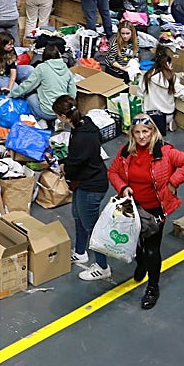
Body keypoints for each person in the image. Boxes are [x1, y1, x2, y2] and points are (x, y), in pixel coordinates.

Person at [108, 115, 184, 309]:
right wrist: (123, 187)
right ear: (132, 134)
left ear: (153, 132)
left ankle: (152, 286)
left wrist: (174, 182)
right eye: (137, 132)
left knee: (152, 249)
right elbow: (113, 172)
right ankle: (140, 263)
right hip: (132, 207)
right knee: (133, 242)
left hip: (155, 209)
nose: (142, 136)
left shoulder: (165, 152)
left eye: (146, 132)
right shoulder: (126, 152)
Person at [55, 96, 112, 281]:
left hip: (92, 185)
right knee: (78, 216)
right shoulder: (85, 123)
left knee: (92, 227)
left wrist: (64, 167)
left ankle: (103, 267)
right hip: (86, 180)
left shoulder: (81, 137)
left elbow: (74, 164)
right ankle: (80, 252)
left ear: (63, 116)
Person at [9, 44, 76, 123]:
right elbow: (72, 93)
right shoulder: (67, 70)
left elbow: (28, 85)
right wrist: (67, 108)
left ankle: (39, 119)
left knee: (29, 95)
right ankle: (54, 121)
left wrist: (11, 94)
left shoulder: (42, 67)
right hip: (62, 112)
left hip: (46, 112)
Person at [139, 46, 184, 136]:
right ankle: (169, 122)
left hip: (149, 115)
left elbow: (140, 93)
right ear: (168, 64)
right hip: (166, 114)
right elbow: (182, 93)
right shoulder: (170, 78)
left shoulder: (146, 76)